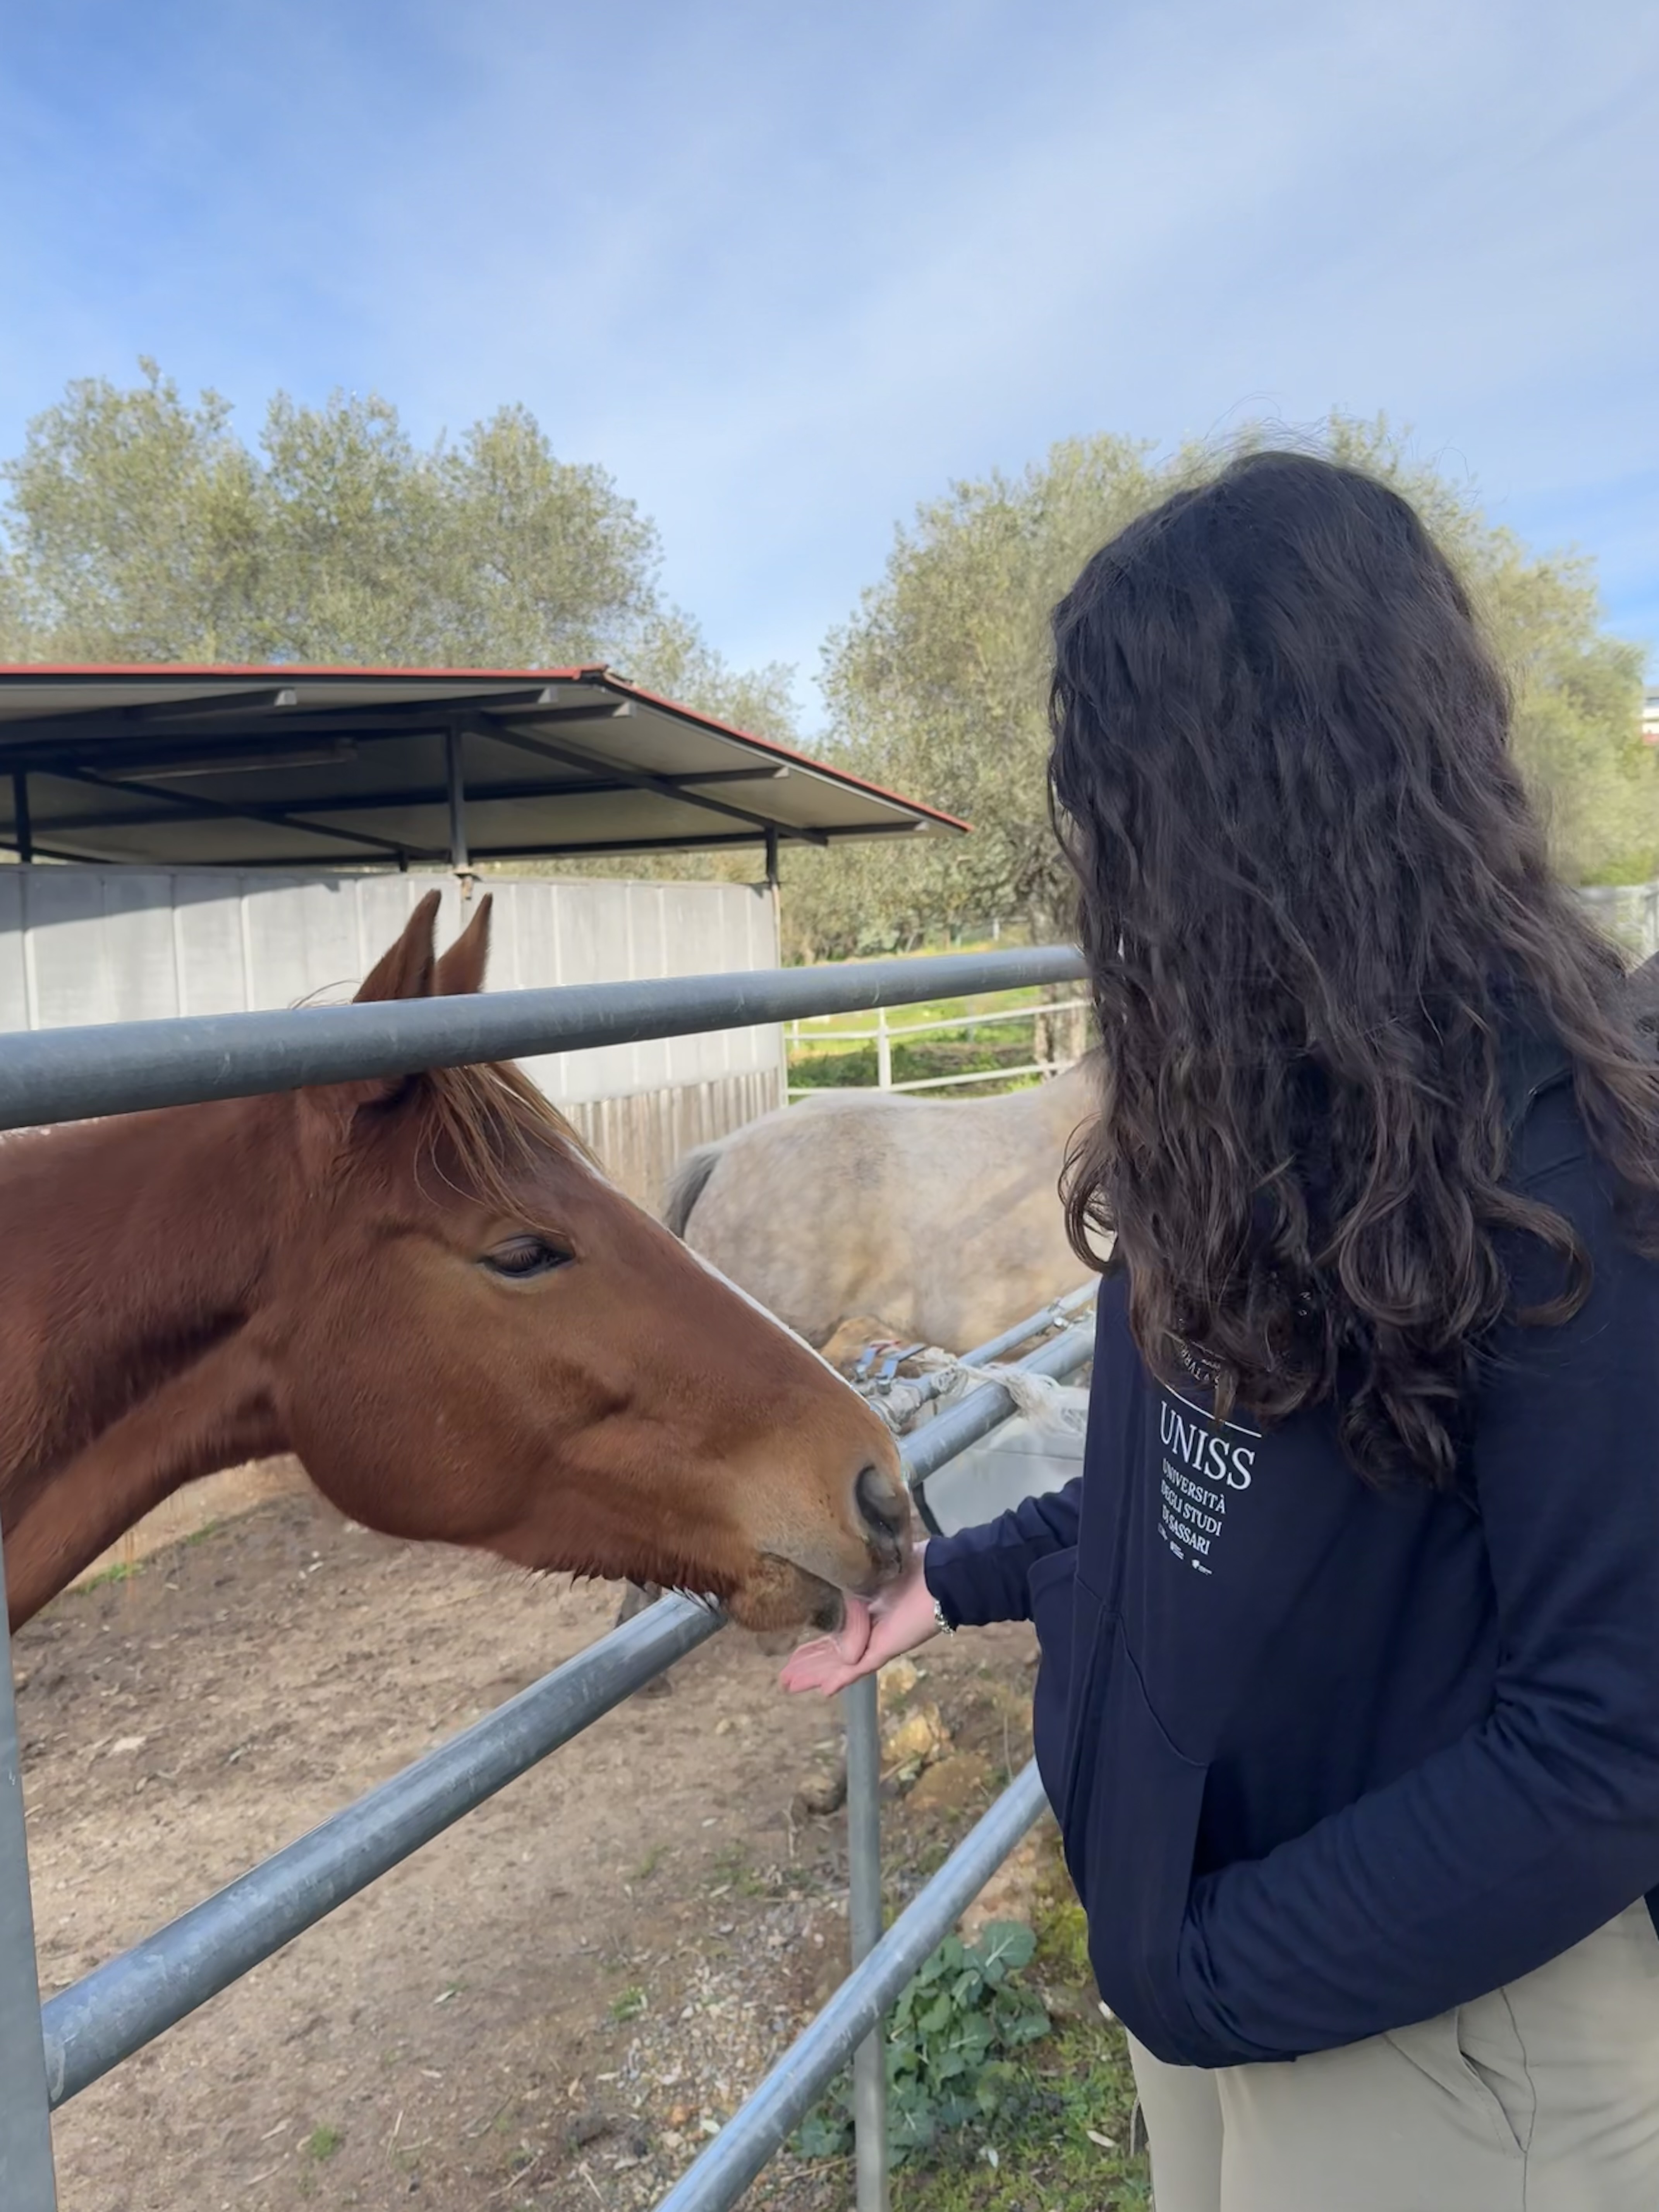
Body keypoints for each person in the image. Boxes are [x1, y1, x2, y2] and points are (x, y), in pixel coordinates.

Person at [780, 450, 1659, 2212]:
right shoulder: (1251, 1115)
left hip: (1451, 2049)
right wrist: (957, 1580)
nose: (1097, 856)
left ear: (1253, 803)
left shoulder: (1560, 1174)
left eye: (1123, 797)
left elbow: (1608, 1740)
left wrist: (1199, 1964)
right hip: (1224, 1963)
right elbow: (1206, 1495)